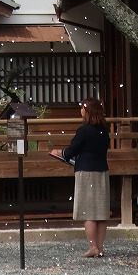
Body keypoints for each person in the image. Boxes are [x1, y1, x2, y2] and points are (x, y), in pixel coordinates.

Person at [52, 97, 110, 258]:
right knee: (101, 212)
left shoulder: (84, 130)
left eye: (83, 108)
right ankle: (99, 246)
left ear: (88, 111)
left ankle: (93, 247)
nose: (81, 111)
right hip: (102, 171)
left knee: (89, 211)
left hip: (86, 172)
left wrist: (59, 152)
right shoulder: (104, 130)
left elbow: (71, 151)